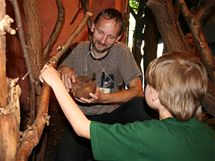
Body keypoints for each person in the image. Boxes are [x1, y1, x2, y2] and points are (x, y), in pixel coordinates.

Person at [40, 51, 215, 161]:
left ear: (155, 94)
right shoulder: (208, 135)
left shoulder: (148, 134)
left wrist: (55, 81)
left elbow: (82, 128)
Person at [55, 8, 154, 160]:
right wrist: (65, 69)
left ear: (118, 37)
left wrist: (103, 99)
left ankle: (152, 145)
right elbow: (58, 71)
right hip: (83, 120)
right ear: (93, 27)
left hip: (113, 115)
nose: (102, 41)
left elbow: (138, 90)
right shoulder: (79, 50)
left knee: (140, 105)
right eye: (100, 32)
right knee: (65, 157)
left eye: (110, 37)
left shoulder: (121, 52)